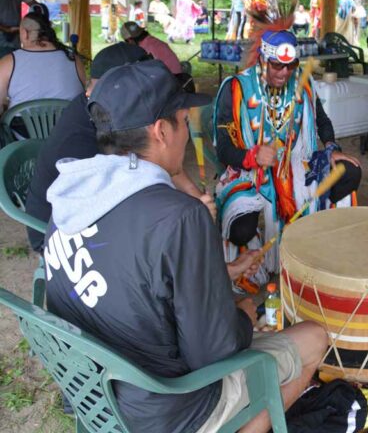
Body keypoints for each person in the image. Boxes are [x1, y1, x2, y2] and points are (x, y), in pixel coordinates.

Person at [43, 59, 328, 433]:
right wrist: (243, 311)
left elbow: (129, 276)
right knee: (313, 338)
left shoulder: (72, 195)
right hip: (168, 407)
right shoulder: (179, 215)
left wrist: (218, 272)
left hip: (95, 394)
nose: (186, 131)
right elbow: (214, 353)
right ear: (161, 130)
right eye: (183, 121)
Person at [214, 28, 362, 285]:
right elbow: (223, 149)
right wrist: (251, 157)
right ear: (263, 59)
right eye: (276, 66)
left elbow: (323, 121)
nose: (283, 73)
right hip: (250, 171)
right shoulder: (237, 88)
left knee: (349, 172)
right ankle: (255, 265)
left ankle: (314, 246)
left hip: (297, 161)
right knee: (240, 229)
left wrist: (330, 148)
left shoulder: (302, 85)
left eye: (290, 65)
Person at [25, 42, 150, 252]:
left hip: (88, 211)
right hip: (56, 232)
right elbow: (90, 209)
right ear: (121, 84)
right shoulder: (79, 139)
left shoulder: (105, 107)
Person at [0, 11, 85, 114]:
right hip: (67, 127)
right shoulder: (73, 59)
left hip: (22, 128)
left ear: (25, 33)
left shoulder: (9, 62)